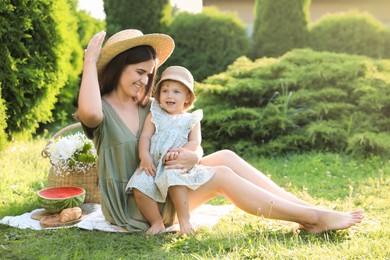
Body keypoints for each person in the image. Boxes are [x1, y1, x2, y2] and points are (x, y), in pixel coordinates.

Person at [78, 29, 364, 235]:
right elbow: (89, 112)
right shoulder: (102, 110)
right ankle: (314, 218)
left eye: (150, 74)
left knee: (225, 156)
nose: (146, 81)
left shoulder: (151, 107)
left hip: (167, 185)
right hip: (140, 205)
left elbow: (188, 138)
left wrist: (194, 155)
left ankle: (307, 210)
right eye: (139, 72)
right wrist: (90, 61)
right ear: (118, 67)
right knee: (222, 177)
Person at [126, 65, 214, 235]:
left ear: (187, 97)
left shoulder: (191, 119)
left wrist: (181, 152)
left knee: (175, 179)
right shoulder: (155, 114)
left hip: (174, 163)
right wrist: (144, 157)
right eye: (165, 91)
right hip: (153, 162)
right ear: (159, 94)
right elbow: (145, 137)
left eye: (176, 91)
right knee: (138, 185)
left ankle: (184, 219)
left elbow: (195, 142)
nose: (169, 95)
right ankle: (156, 222)